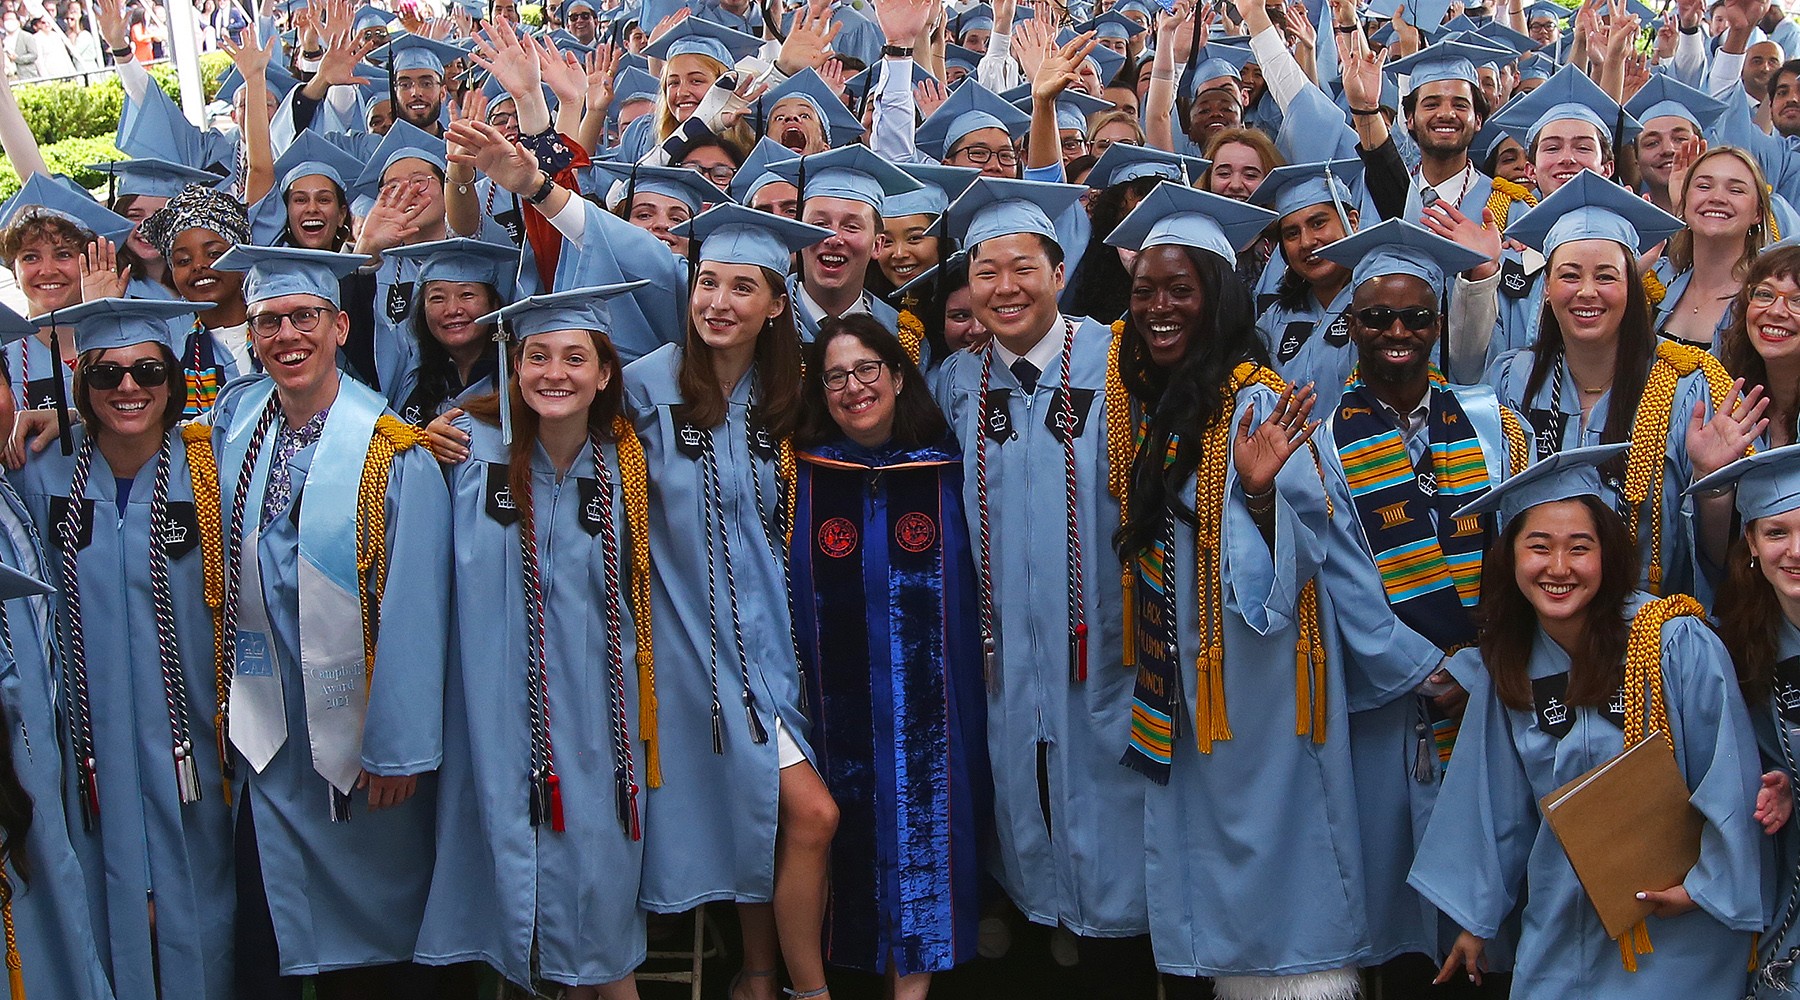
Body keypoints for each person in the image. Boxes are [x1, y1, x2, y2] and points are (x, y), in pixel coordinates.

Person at [1413, 444, 1764, 997]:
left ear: (1608, 555)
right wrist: (1476, 920)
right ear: (1510, 558)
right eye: (1538, 547)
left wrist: (1703, 888)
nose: (1558, 568)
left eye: (1580, 548)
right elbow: (1490, 801)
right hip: (1562, 923)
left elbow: (1729, 775)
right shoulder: (1514, 662)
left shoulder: (1671, 643)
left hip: (1677, 922)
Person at [204, 245, 453, 999]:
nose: (287, 336)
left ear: (340, 324)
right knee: (269, 930)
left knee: (375, 948)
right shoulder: (235, 425)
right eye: (269, 321)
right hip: (267, 736)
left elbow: (418, 607)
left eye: (304, 317)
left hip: (360, 743)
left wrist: (400, 747)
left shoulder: (393, 454)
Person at [932, 177, 1154, 999]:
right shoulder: (958, 381)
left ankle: (1112, 937)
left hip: (1100, 630)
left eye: (1023, 267)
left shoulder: (1120, 357)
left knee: (1106, 781)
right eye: (986, 273)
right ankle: (1040, 917)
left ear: (1059, 273)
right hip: (1003, 640)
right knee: (1014, 775)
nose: (1005, 288)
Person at [622, 203, 840, 1000]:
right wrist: (457, 423)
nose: (718, 301)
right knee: (808, 813)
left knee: (770, 812)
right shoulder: (645, 386)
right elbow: (554, 418)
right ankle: (807, 991)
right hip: (691, 645)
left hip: (781, 643)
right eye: (706, 282)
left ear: (777, 304)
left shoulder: (800, 392)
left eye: (742, 287)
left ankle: (756, 974)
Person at [415, 281, 655, 999]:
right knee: (521, 911)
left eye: (575, 358)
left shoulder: (630, 464)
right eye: (537, 356)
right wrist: (414, 440)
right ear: (513, 368)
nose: (555, 373)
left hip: (600, 731)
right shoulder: (463, 448)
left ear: (606, 372)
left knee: (601, 926)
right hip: (493, 719)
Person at [1315, 219, 1531, 995]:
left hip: (1485, 695)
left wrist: (1479, 666)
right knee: (1397, 906)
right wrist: (1423, 667)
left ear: (1440, 326)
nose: (1397, 332)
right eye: (1376, 318)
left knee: (1487, 884)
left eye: (1415, 317)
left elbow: (1517, 555)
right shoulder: (1322, 443)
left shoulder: (1490, 424)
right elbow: (1336, 578)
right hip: (1390, 708)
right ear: (1352, 327)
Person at [11, 297, 235, 1000]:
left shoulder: (213, 469)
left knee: (202, 914)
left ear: (173, 380)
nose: (128, 387)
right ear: (83, 389)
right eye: (106, 375)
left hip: (195, 747)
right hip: (88, 751)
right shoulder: (41, 475)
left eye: (147, 370)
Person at [791, 314, 992, 1000]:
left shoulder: (948, 471)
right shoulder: (803, 477)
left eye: (867, 369)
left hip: (933, 707)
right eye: (837, 376)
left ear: (899, 375)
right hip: (832, 711)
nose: (854, 388)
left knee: (926, 823)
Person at [1485, 171, 1727, 599]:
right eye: (1570, 276)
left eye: (1607, 277)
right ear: (1546, 289)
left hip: (1647, 631)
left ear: (1633, 289)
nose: (1587, 292)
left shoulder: (1685, 388)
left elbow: (1720, 556)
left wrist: (1714, 485)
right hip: (1538, 627)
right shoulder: (1510, 382)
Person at [1699, 447, 1800, 996]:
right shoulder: (1738, 647)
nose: (1796, 551)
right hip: (1785, 875)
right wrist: (1777, 781)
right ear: (1753, 547)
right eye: (1777, 533)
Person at [1651, 146, 1776, 349]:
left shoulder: (1764, 300)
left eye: (1736, 190)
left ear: (1758, 214)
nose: (1717, 198)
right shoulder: (1659, 280)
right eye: (1703, 187)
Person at [1717, 244, 1800, 447]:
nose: (1776, 311)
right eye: (1765, 294)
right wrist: (1703, 471)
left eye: (1798, 300)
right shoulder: (1724, 395)